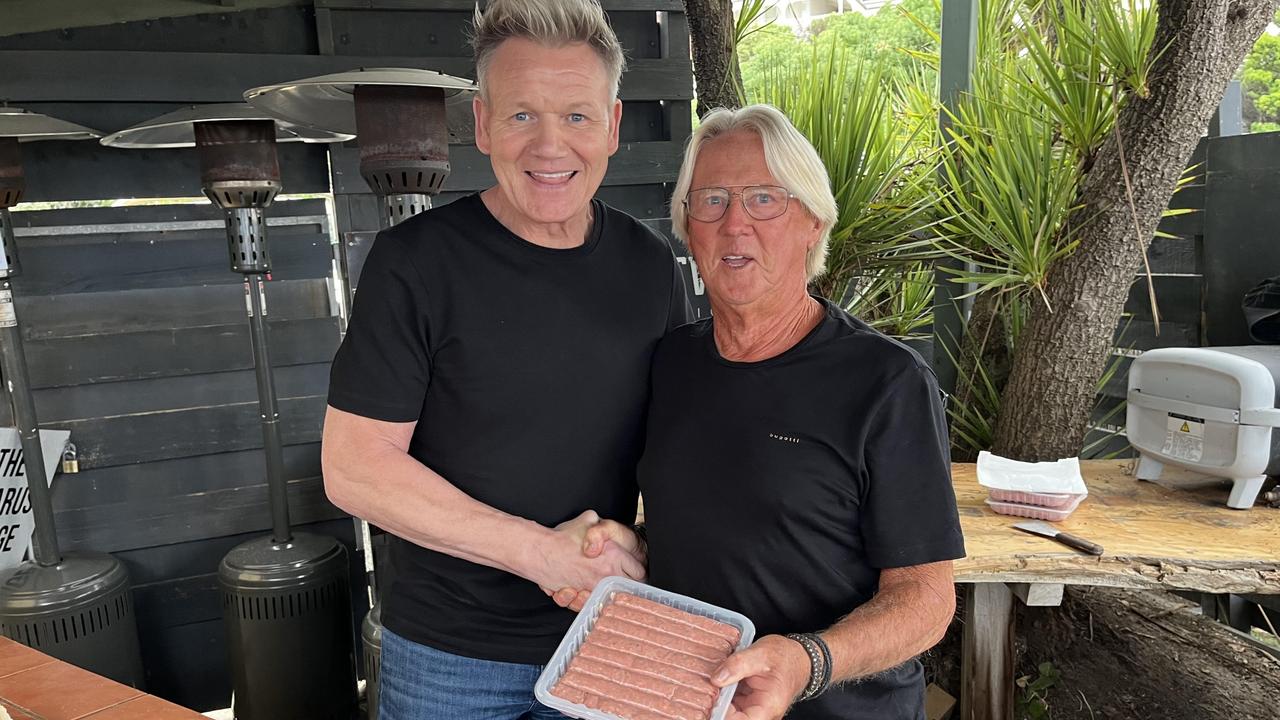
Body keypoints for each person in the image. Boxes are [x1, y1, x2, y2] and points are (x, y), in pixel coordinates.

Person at [321, 1, 690, 717]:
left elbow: (673, 441)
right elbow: (354, 468)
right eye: (523, 115)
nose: (550, 146)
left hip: (604, 634)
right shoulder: (416, 264)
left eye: (577, 116)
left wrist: (636, 539)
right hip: (447, 655)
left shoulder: (651, 267)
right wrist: (539, 554)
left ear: (612, 127)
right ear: (483, 124)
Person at [557, 104, 965, 720]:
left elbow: (926, 599)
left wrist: (807, 663)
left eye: (765, 199)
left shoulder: (885, 381)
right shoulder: (671, 365)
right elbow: (738, 537)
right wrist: (635, 548)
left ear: (813, 221)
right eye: (712, 200)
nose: (735, 225)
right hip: (691, 701)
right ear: (688, 229)